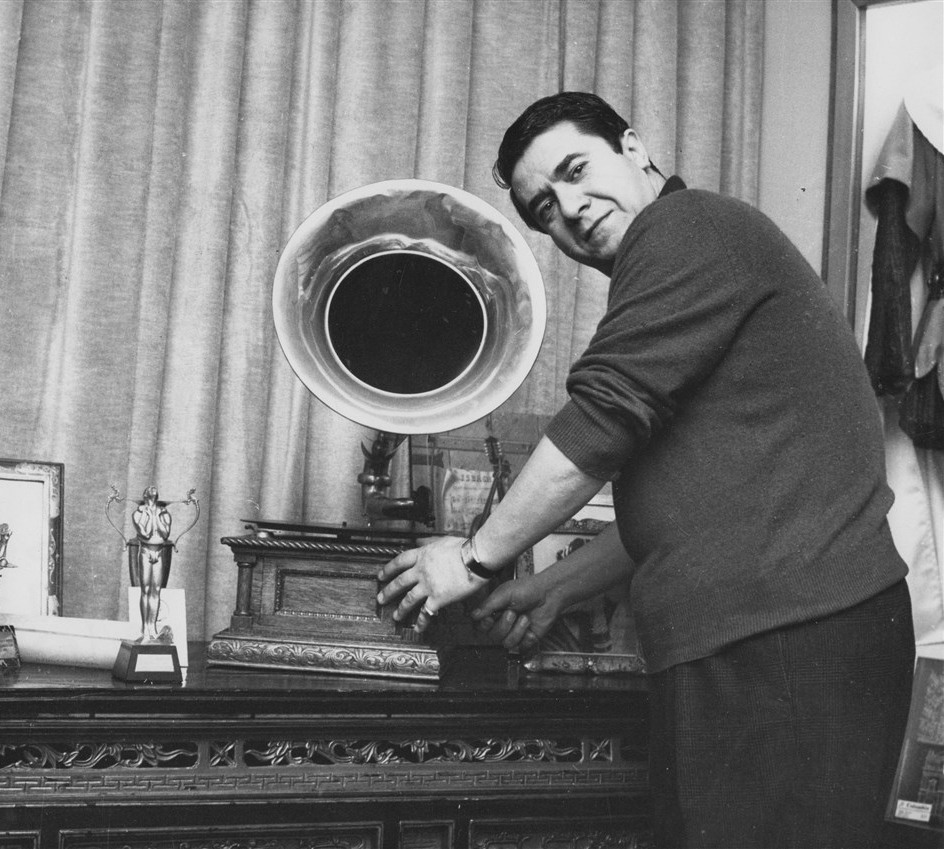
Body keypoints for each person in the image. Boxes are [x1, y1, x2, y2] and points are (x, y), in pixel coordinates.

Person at [377, 92, 915, 849]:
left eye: (575, 170)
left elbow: (603, 418)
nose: (569, 209)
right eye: (544, 209)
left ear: (634, 148)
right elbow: (700, 498)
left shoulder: (686, 227)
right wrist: (556, 586)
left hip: (786, 638)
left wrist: (472, 559)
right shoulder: (686, 251)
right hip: (778, 636)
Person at [132, 485, 172, 642]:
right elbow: (146, 533)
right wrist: (148, 514)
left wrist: (156, 516)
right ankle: (145, 628)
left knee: (156, 590)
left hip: (159, 552)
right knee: (146, 590)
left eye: (154, 490)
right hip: (145, 552)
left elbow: (165, 533)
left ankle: (152, 626)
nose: (152, 490)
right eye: (149, 490)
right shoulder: (138, 514)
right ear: (145, 495)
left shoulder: (164, 514)